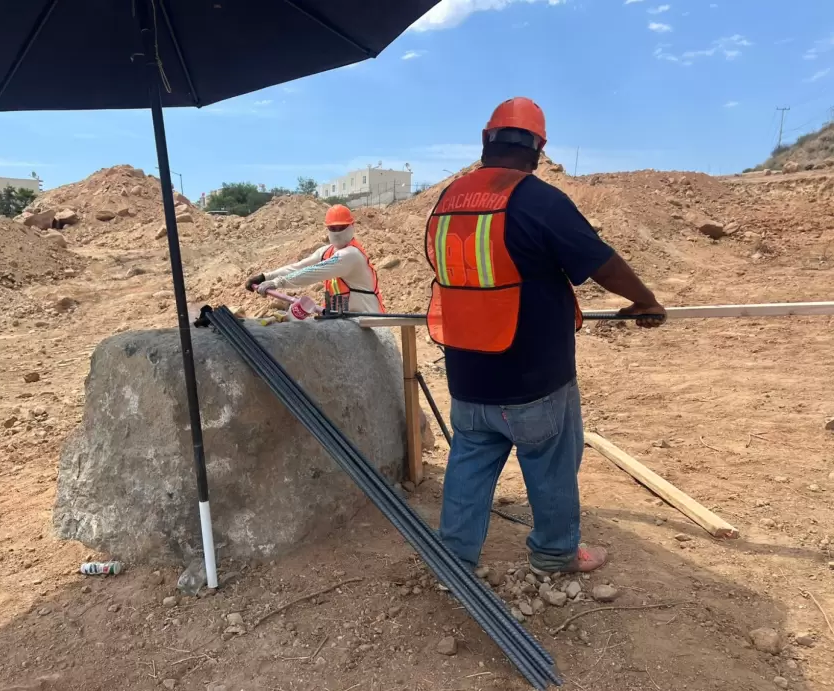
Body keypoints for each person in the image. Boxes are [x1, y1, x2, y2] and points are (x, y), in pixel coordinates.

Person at [425, 97, 666, 575]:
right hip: (534, 378)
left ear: (485, 141)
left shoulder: (447, 201)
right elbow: (602, 263)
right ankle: (555, 554)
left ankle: (454, 559)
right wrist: (646, 300)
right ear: (538, 151)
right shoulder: (539, 200)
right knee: (551, 468)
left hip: (467, 375)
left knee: (468, 466)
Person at [245, 204, 386, 314]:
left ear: (352, 226)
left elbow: (311, 272)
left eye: (341, 227)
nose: (337, 232)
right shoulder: (326, 251)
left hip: (368, 320)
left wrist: (277, 283)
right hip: (344, 318)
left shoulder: (351, 255)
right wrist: (265, 277)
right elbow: (298, 267)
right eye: (333, 228)